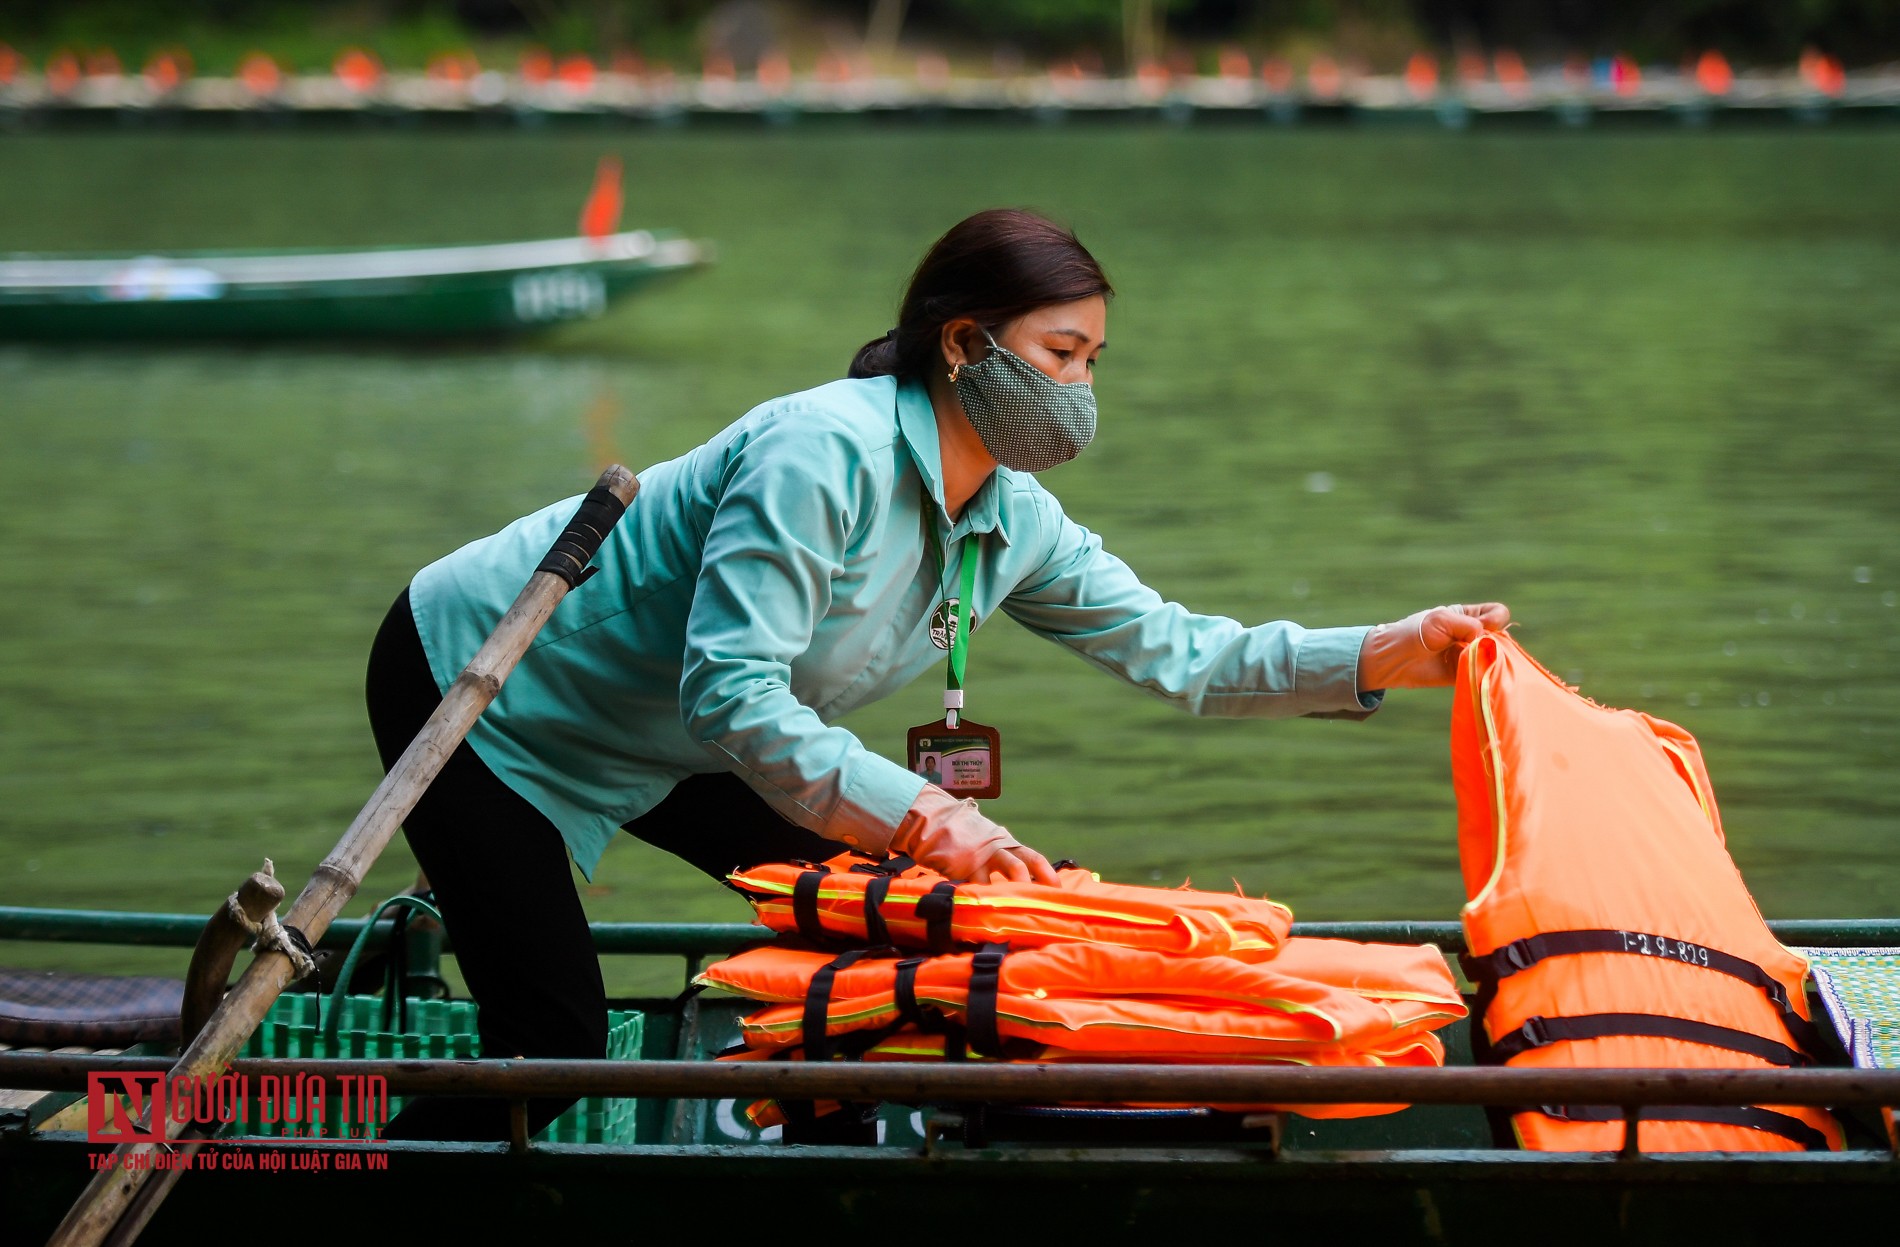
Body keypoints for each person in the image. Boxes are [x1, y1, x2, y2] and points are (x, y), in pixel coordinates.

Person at [363, 207, 1509, 1140]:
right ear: (964, 344)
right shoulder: (822, 451)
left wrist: (1385, 650)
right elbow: (735, 689)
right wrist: (924, 815)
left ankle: (832, 1171)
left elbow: (1184, 651)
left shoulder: (1015, 520)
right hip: (492, 686)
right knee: (555, 1045)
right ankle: (343, 1181)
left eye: (1093, 360)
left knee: (890, 935)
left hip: (679, 731)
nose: (1080, 389)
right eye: (1061, 354)